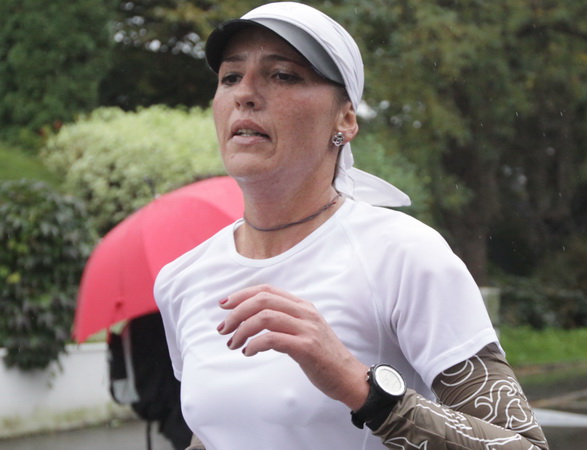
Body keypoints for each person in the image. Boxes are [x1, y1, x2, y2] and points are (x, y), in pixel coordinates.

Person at [155, 2, 548, 449]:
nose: (244, 94)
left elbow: (525, 446)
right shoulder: (182, 279)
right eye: (230, 77)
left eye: (282, 75)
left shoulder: (404, 256)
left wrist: (360, 388)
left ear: (344, 119)